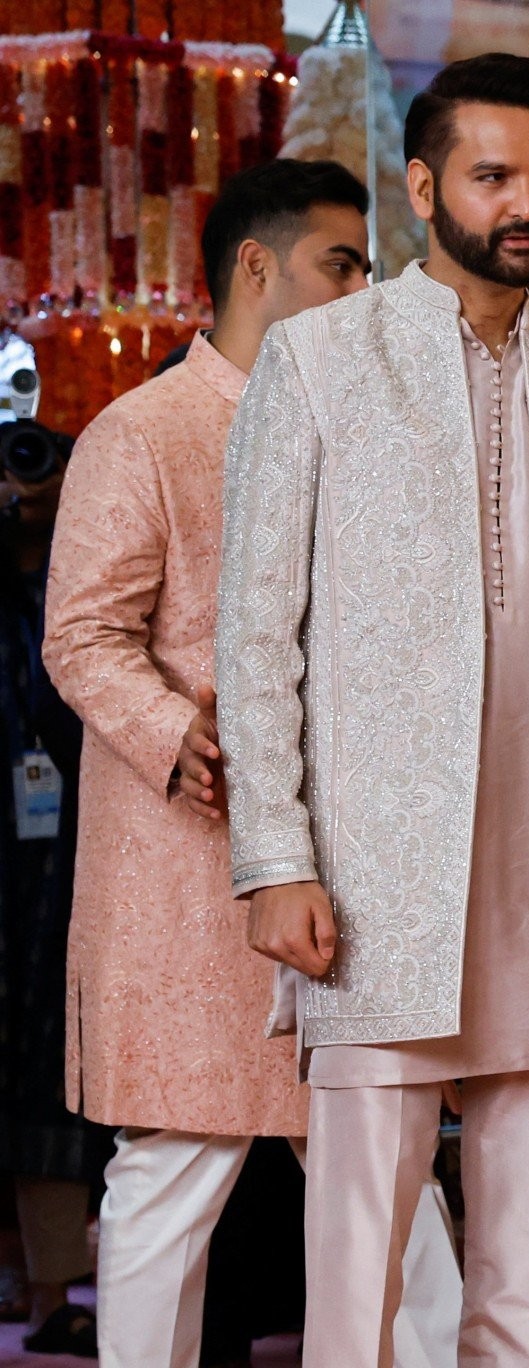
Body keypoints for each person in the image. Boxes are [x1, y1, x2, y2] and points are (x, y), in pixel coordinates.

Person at [213, 54, 529, 1366]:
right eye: (493, 176)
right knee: (358, 1262)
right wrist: (274, 858)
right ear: (421, 184)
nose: (524, 207)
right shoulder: (323, 361)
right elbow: (256, 634)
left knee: (525, 1260)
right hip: (382, 871)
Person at [42, 159, 459, 1368]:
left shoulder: (369, 433)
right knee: (174, 1161)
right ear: (257, 267)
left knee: (384, 1155)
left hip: (353, 851)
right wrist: (175, 733)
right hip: (188, 864)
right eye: (342, 264)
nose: (363, 291)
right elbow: (83, 633)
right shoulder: (145, 430)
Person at [0, 405, 111, 1357]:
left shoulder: (87, 566)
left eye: (43, 463)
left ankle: (49, 1290)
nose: (26, 480)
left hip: (66, 848)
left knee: (48, 1068)